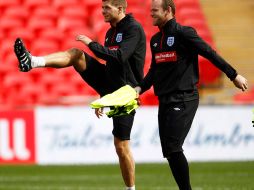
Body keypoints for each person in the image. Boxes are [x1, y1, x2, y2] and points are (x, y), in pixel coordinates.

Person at [14, 0, 146, 189]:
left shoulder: (133, 29)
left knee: (121, 145)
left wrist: (91, 43)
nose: (102, 11)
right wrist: (104, 94)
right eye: (102, 7)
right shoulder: (111, 32)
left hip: (127, 93)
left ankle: (130, 189)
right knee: (76, 54)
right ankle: (32, 61)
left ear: (121, 8)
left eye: (106, 7)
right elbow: (112, 68)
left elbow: (119, 57)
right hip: (111, 86)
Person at [134, 0, 248, 189]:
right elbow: (154, 71)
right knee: (169, 151)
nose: (151, 14)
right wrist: (139, 88)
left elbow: (209, 53)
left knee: (173, 147)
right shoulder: (155, 40)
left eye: (155, 10)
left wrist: (233, 75)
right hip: (164, 99)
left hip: (184, 97)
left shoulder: (184, 33)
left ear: (168, 11)